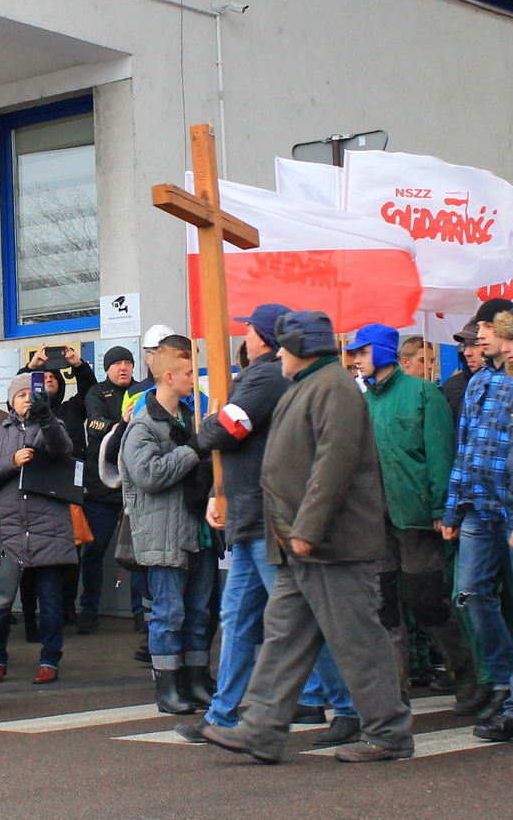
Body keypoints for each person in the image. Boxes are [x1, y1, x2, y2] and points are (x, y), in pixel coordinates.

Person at [201, 310, 414, 764]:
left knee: (358, 638)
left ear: (301, 349)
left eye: (283, 345)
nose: (277, 352)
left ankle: (389, 732)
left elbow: (332, 466)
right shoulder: (310, 386)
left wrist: (308, 529)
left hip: (330, 545)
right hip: (302, 544)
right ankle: (261, 729)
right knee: (283, 636)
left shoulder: (332, 389)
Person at [172, 304, 358, 746]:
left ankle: (347, 706)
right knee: (237, 617)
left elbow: (225, 432)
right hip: (251, 516)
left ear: (265, 337)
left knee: (298, 617)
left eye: (251, 331)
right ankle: (226, 713)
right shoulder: (267, 377)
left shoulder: (264, 377)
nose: (246, 338)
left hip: (264, 518)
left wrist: (209, 422)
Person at [345, 323, 477, 711]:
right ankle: (394, 695)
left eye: (362, 352)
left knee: (427, 601)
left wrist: (441, 508)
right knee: (385, 606)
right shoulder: (362, 402)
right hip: (375, 521)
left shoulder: (423, 394)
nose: (355, 359)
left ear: (383, 352)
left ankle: (466, 673)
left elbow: (440, 455)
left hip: (418, 519)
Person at [120, 340, 217, 714]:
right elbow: (149, 475)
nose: (195, 379)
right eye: (190, 373)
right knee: (169, 612)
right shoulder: (143, 424)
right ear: (170, 376)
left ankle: (195, 680)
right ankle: (168, 687)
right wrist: (194, 449)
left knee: (198, 613)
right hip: (163, 533)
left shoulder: (187, 418)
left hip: (197, 530)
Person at [441, 297, 513, 721]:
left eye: (481, 333)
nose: (475, 344)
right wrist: (453, 511)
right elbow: (465, 450)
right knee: (469, 595)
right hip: (475, 507)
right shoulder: (475, 383)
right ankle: (502, 679)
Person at [0, 372, 75, 686]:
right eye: (21, 395)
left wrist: (46, 417)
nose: (26, 399)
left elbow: (62, 450)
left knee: (50, 602)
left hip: (47, 527)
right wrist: (13, 461)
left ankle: (50, 659)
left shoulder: (53, 424)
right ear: (11, 401)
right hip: (8, 528)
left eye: (30, 395)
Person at [77, 345, 135, 634]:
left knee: (139, 555)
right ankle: (88, 609)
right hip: (100, 488)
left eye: (128, 362)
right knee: (93, 551)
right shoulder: (97, 393)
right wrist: (123, 424)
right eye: (117, 363)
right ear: (107, 368)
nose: (123, 368)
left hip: (134, 489)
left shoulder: (140, 392)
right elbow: (96, 426)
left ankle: (141, 613)